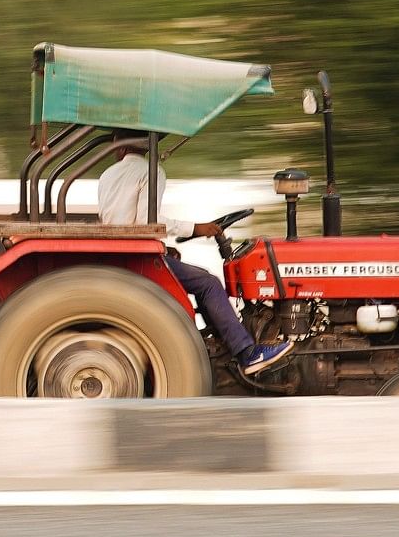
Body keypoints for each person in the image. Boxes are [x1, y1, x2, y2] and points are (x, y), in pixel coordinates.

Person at [97, 140, 294, 376]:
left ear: (120, 148)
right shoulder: (149, 170)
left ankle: (224, 340)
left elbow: (120, 220)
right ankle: (246, 353)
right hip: (139, 256)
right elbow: (145, 222)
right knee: (208, 283)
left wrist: (163, 246)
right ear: (146, 146)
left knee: (199, 278)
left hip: (125, 251)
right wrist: (195, 228)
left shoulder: (108, 175)